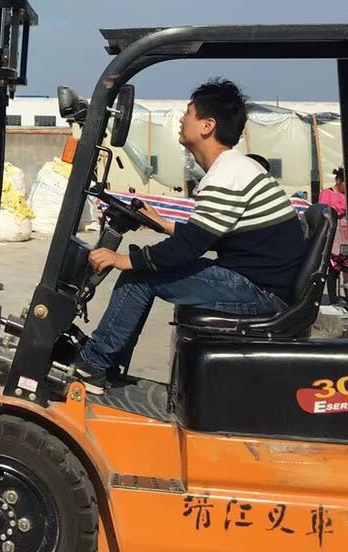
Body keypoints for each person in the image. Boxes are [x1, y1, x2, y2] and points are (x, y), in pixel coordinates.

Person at [74, 78, 306, 393]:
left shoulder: (226, 175)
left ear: (207, 126)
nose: (182, 120)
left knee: (140, 275)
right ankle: (106, 364)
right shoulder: (235, 169)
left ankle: (93, 365)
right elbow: (213, 234)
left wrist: (122, 260)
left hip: (259, 294)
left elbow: (190, 247)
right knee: (143, 266)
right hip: (258, 283)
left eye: (188, 113)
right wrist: (163, 224)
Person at [318, 167, 347, 304]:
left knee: (346, 267)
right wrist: (342, 207)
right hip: (334, 236)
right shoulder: (327, 193)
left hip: (345, 236)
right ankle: (333, 298)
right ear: (339, 181)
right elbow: (325, 211)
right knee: (334, 267)